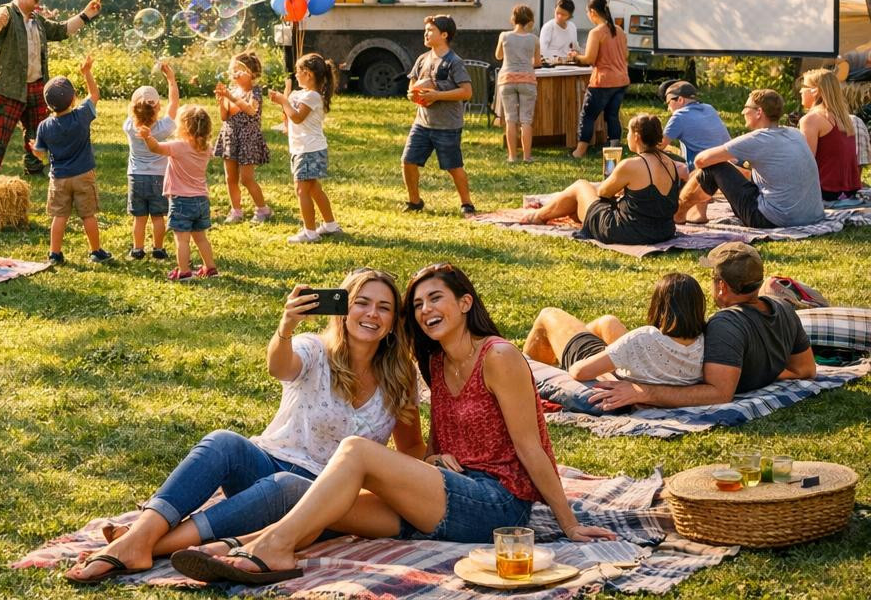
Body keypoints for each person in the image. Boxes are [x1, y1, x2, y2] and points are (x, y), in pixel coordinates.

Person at [173, 264, 613, 586]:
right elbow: (434, 447)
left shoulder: (497, 356)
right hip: (449, 494)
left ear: (465, 303)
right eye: (417, 304)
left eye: (435, 298)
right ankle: (241, 545)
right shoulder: (436, 363)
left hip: (498, 503)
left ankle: (272, 550)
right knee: (325, 500)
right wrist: (433, 458)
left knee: (356, 451)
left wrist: (568, 523)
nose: (425, 310)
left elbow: (532, 447)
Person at [63, 269, 425, 584]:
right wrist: (285, 327)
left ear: (394, 321)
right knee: (223, 441)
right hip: (264, 462)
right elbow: (279, 368)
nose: (372, 313)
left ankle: (142, 545)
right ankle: (141, 535)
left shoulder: (400, 378)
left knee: (284, 486)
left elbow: (410, 449)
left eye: (384, 307)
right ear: (343, 309)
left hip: (321, 499)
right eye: (362, 302)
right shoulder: (315, 350)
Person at [585, 243, 815, 411]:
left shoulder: (726, 324)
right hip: (658, 358)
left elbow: (719, 393)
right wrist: (767, 370)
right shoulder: (782, 308)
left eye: (713, 279)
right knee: (610, 326)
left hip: (660, 377)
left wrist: (642, 392)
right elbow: (806, 370)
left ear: (722, 287)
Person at [0, 0, 103, 174]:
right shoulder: (6, 12)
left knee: (37, 133)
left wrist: (87, 14)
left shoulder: (37, 20)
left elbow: (62, 30)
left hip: (36, 85)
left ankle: (34, 168)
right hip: (8, 88)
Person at [524, 273, 707, 392]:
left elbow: (579, 372)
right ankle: (562, 344)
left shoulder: (644, 337)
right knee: (607, 322)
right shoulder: (705, 341)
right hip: (644, 369)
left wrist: (604, 368)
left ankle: (525, 376)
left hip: (607, 372)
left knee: (548, 315)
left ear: (659, 307)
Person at [522, 114, 686, 246]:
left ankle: (538, 215)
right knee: (583, 200)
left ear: (636, 136)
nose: (626, 136)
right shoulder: (670, 163)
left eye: (627, 132)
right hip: (663, 231)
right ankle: (558, 212)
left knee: (581, 186)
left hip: (630, 233)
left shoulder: (631, 165)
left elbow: (603, 193)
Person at [675, 89, 824, 228]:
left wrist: (723, 162)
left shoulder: (757, 139)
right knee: (723, 166)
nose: (742, 111)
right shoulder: (794, 133)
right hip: (811, 216)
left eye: (746, 107)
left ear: (759, 112)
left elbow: (700, 160)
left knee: (714, 166)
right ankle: (694, 213)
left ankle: (678, 214)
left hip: (773, 220)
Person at [32, 57, 109, 264]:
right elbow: (95, 95)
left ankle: (54, 254)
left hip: (59, 179)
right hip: (84, 175)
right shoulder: (82, 115)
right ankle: (96, 251)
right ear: (74, 99)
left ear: (48, 105)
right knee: (88, 215)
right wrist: (86, 72)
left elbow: (39, 154)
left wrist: (33, 148)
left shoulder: (44, 126)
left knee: (60, 216)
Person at [401, 15, 474, 215]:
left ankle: (467, 204)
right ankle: (414, 202)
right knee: (408, 161)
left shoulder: (454, 62)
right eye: (425, 30)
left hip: (447, 126)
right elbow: (412, 84)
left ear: (444, 35)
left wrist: (437, 95)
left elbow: (467, 92)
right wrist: (413, 95)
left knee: (453, 167)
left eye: (431, 30)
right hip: (422, 123)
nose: (426, 33)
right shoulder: (422, 59)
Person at [140, 105, 216, 280]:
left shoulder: (178, 146)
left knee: (182, 240)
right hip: (201, 200)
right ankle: (210, 268)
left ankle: (184, 271)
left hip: (181, 200)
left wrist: (147, 137)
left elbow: (156, 148)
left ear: (183, 127)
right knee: (201, 238)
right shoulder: (206, 147)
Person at [270, 53, 340, 242]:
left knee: (302, 190)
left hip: (309, 150)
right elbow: (289, 116)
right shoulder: (301, 93)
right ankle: (330, 225)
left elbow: (298, 117)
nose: (296, 75)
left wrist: (283, 102)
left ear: (308, 74)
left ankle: (310, 232)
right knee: (314, 188)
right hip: (303, 148)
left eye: (298, 72)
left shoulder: (312, 96)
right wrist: (285, 95)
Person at [125, 65, 180, 260]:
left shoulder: (130, 126)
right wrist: (171, 80)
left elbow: (133, 113)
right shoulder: (163, 128)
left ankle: (137, 250)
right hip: (159, 178)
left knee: (139, 219)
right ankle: (158, 249)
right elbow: (174, 105)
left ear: (133, 108)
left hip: (136, 177)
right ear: (157, 108)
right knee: (158, 217)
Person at [213, 51, 272, 225]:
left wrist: (230, 97)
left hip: (248, 139)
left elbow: (249, 110)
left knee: (246, 178)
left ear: (252, 74)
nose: (235, 73)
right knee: (230, 178)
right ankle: (236, 210)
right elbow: (224, 116)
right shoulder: (231, 91)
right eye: (233, 70)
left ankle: (263, 209)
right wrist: (221, 101)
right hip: (230, 136)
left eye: (240, 70)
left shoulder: (255, 93)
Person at [568, 0, 629, 159]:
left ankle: (579, 152)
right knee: (612, 115)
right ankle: (614, 149)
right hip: (621, 79)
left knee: (588, 116)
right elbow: (626, 55)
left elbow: (589, 59)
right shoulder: (619, 30)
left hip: (602, 81)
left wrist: (575, 57)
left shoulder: (596, 32)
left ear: (593, 12)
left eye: (588, 12)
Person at [798, 67, 863, 200]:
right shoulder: (845, 119)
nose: (800, 90)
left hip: (825, 192)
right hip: (848, 193)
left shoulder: (811, 119)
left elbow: (805, 164)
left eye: (804, 86)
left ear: (815, 90)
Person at [494, 5, 542, 162]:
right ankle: (527, 156)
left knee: (510, 119)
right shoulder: (534, 39)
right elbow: (537, 62)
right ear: (529, 21)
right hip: (527, 80)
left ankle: (512, 156)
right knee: (526, 120)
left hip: (507, 79)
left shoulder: (504, 36)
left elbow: (498, 56)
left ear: (513, 19)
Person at [659, 80, 730, 167]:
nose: (668, 108)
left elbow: (659, 146)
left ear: (680, 100)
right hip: (727, 165)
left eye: (668, 103)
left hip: (701, 172)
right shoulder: (709, 108)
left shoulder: (679, 116)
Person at [539, 0, 579, 64]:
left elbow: (575, 48)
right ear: (554, 10)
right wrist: (556, 59)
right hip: (552, 64)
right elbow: (542, 51)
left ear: (569, 16)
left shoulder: (572, 27)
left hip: (569, 63)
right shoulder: (548, 27)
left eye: (563, 15)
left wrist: (575, 53)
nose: (559, 16)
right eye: (557, 13)